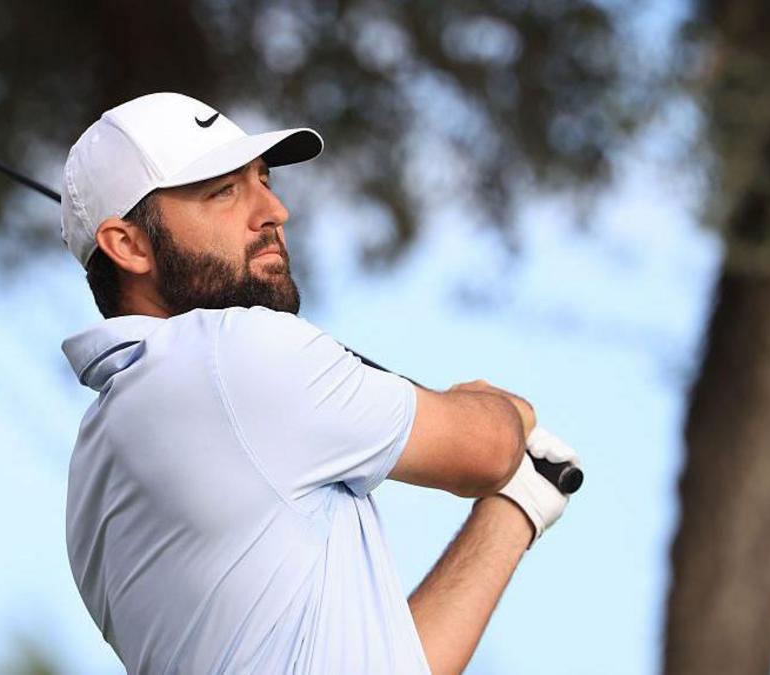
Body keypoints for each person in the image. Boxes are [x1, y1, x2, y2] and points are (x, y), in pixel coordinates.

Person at [58, 92, 581, 674]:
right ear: (128, 245)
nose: (274, 211)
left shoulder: (94, 467)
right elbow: (487, 451)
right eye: (223, 191)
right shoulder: (231, 351)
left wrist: (519, 506)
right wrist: (496, 409)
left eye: (263, 180)